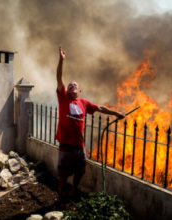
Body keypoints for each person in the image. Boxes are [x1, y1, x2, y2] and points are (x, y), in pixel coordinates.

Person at [55, 45, 125, 202]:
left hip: (79, 145)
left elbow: (100, 107)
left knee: (80, 170)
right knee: (63, 173)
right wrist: (61, 61)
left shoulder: (84, 102)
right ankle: (60, 196)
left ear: (80, 91)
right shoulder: (63, 98)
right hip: (65, 143)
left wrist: (116, 113)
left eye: (75, 85)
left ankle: (73, 191)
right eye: (70, 85)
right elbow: (59, 78)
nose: (72, 85)